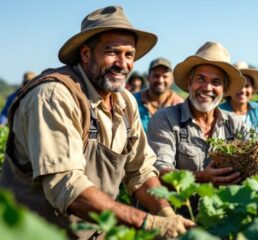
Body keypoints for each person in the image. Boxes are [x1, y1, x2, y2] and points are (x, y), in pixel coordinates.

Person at [0, 6, 194, 239]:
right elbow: (66, 184)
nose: (122, 64)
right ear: (85, 54)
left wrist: (165, 212)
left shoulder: (124, 102)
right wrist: (147, 222)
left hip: (93, 232)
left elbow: (140, 170)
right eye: (112, 52)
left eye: (129, 55)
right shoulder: (54, 96)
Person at [147, 42, 258, 187]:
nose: (207, 88)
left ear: (224, 89)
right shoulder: (166, 119)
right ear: (189, 83)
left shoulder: (236, 124)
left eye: (216, 82)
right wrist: (200, 177)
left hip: (223, 207)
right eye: (201, 79)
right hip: (180, 207)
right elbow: (159, 172)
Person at [219, 61, 258, 135]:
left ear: (252, 89)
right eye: (238, 86)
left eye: (247, 86)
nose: (242, 90)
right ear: (229, 88)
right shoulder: (219, 112)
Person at [134, 57, 184, 132]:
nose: (160, 80)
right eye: (156, 76)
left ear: (172, 80)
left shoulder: (179, 104)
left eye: (165, 76)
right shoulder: (133, 100)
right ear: (148, 78)